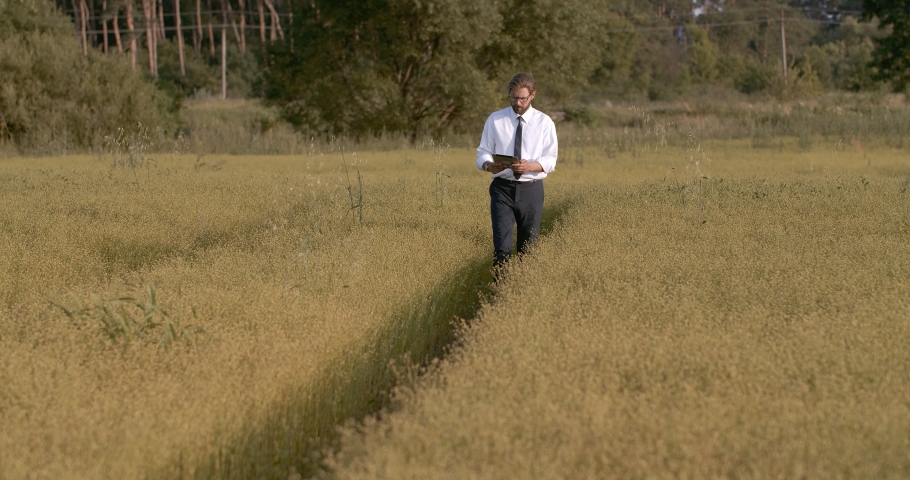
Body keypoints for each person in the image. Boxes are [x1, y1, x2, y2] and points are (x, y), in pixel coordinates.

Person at [476, 72, 558, 273]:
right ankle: (499, 289)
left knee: (528, 249)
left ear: (532, 95)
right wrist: (489, 165)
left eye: (522, 98)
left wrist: (529, 166)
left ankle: (522, 290)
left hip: (531, 190)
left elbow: (551, 159)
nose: (518, 102)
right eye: (513, 97)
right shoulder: (495, 119)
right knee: (502, 248)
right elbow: (483, 152)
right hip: (502, 190)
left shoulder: (544, 122)